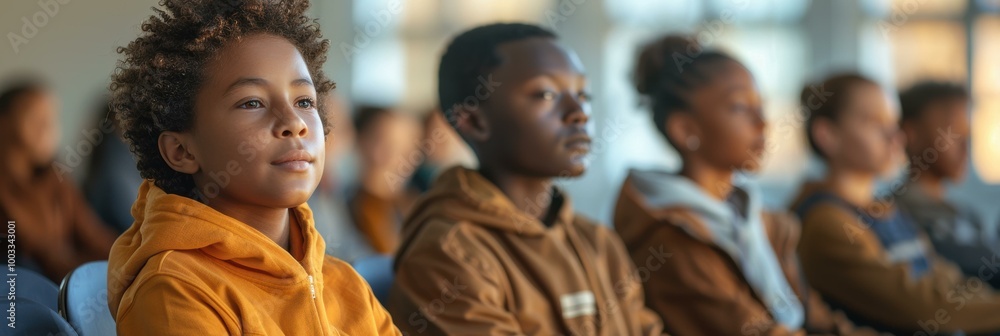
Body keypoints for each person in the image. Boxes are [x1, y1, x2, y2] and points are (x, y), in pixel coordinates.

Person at [105, 1, 399, 334]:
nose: (293, 123)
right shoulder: (174, 290)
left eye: (304, 101)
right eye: (252, 102)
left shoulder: (345, 285)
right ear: (182, 151)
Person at [388, 23, 663, 335]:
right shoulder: (447, 252)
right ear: (475, 121)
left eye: (583, 94)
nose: (579, 112)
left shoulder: (598, 242)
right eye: (546, 93)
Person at [614, 36, 873, 336]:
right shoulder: (668, 239)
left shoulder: (761, 221)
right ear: (685, 129)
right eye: (739, 107)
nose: (762, 122)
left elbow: (817, 318)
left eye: (761, 106)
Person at [791, 73, 1000, 334]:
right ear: (827, 135)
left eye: (893, 123)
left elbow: (947, 280)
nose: (895, 136)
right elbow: (922, 306)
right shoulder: (825, 222)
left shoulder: (886, 209)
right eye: (875, 123)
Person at [0, 80, 118, 283]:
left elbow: (94, 236)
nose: (49, 128)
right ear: (4, 122)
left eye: (52, 119)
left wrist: (133, 254)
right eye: (36, 118)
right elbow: (38, 253)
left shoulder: (56, 177)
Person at [895, 81, 1000, 288]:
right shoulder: (903, 215)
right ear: (911, 134)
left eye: (967, 135)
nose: (965, 147)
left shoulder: (962, 213)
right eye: (953, 134)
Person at [348, 105, 421, 255]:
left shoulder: (414, 206)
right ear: (361, 142)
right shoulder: (342, 208)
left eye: (408, 147)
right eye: (388, 144)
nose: (402, 158)